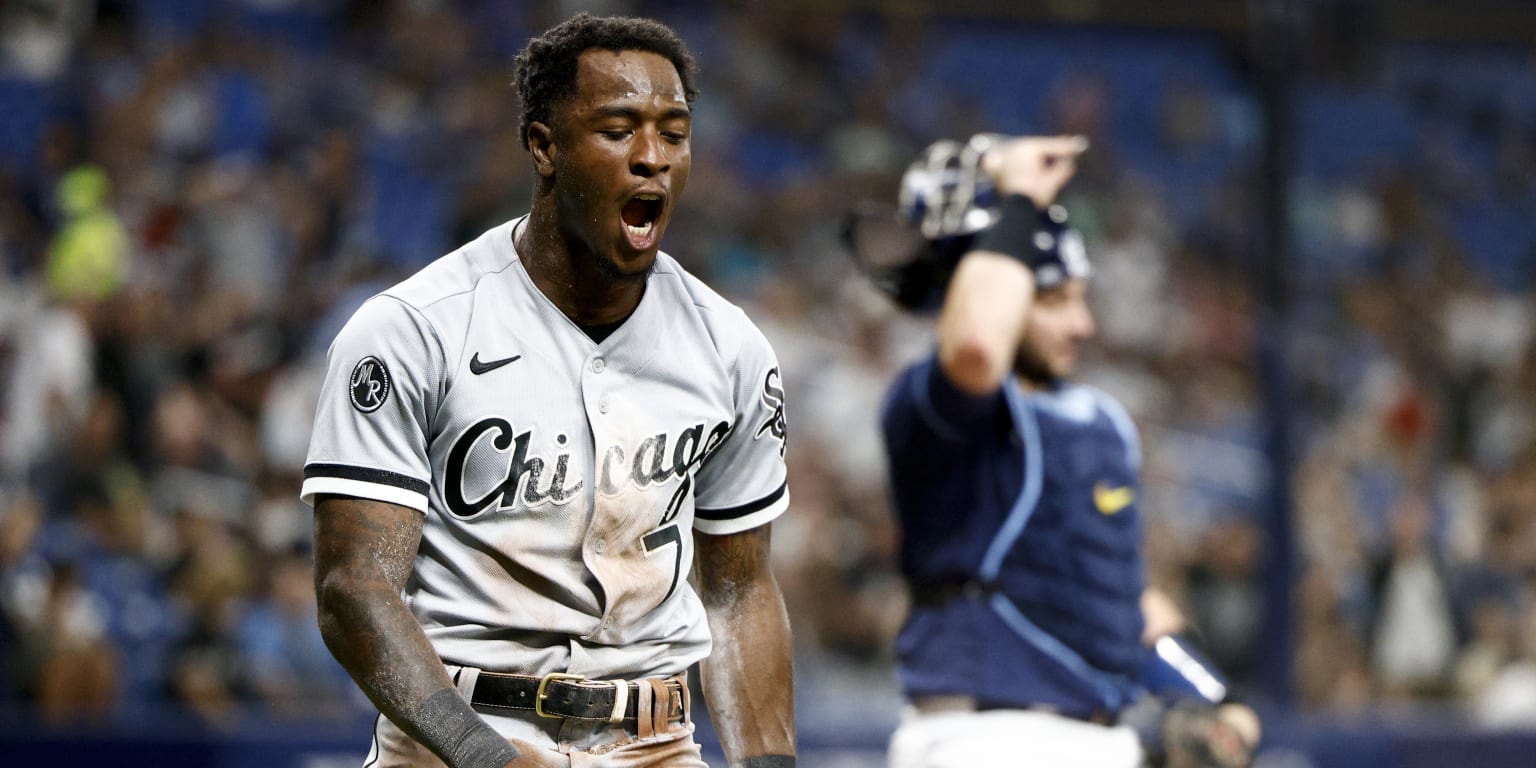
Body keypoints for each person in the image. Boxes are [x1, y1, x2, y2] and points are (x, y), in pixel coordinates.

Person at [301, 14, 795, 768]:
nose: (651, 159)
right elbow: (356, 589)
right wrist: (481, 756)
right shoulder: (413, 331)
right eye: (618, 129)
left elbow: (739, 593)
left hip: (653, 740)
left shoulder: (730, 349)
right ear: (544, 147)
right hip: (456, 732)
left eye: (673, 132)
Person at [875, 135, 1259, 768]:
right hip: (980, 740)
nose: (1082, 324)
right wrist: (1018, 198)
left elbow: (1117, 591)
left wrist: (1214, 698)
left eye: (1079, 298)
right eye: (1054, 301)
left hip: (1098, 738)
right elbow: (974, 344)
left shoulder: (1098, 421)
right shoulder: (929, 404)